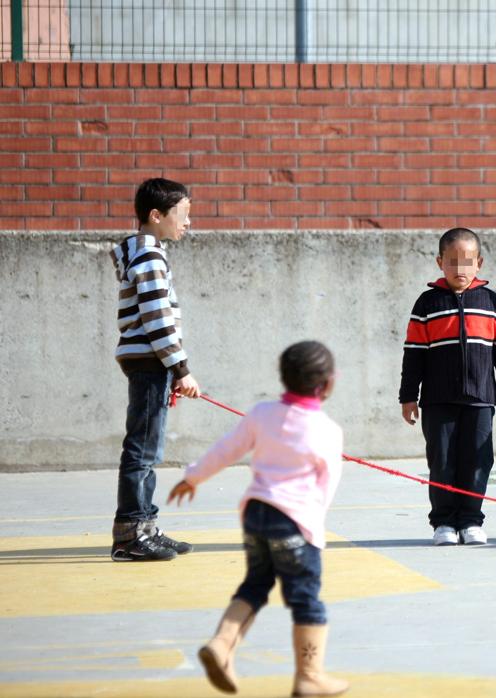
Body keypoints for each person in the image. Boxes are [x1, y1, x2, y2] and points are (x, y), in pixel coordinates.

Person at [168, 341, 349, 697]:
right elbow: (326, 488)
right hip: (295, 522)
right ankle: (309, 676)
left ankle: (221, 644)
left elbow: (226, 449)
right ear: (328, 383)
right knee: (305, 599)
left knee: (255, 585)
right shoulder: (327, 430)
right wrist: (314, 533)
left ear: (282, 378)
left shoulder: (262, 413)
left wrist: (193, 477)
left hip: (256, 513)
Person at [399, 227, 496, 547]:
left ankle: (470, 520)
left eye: (467, 262)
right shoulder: (428, 303)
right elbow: (413, 353)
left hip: (481, 399)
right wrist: (408, 396)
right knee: (441, 460)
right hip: (438, 400)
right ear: (440, 262)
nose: (460, 269)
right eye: (452, 262)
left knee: (478, 460)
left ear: (479, 263)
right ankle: (443, 523)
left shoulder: (490, 301)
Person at [109, 177, 200, 562]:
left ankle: (145, 525)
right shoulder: (148, 257)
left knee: (148, 447)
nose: (188, 222)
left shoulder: (148, 253)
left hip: (150, 360)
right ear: (155, 215)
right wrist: (181, 369)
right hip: (150, 360)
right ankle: (131, 533)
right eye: (182, 215)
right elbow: (157, 319)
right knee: (142, 450)